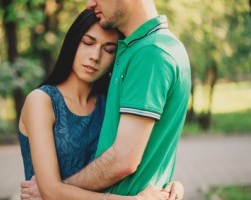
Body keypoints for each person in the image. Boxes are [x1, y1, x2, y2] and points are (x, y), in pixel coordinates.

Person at [19, 9, 183, 200]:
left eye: (108, 49)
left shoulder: (110, 103)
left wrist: (171, 187)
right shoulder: (41, 101)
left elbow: (134, 156)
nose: (95, 56)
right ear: (73, 42)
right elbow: (49, 191)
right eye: (88, 43)